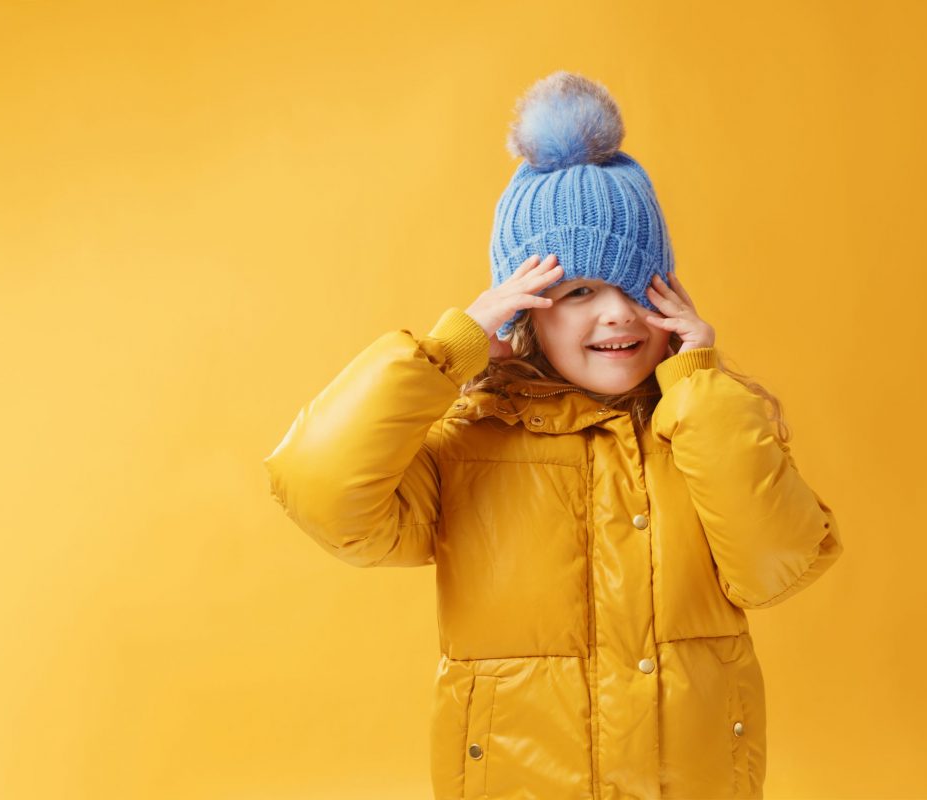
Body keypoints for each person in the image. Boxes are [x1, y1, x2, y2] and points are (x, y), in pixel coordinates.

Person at [263, 71, 843, 799]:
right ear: (526, 310)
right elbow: (321, 490)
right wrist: (451, 352)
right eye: (578, 292)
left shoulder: (701, 423)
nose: (618, 315)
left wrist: (698, 384)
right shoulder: (472, 444)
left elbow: (776, 564)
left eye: (641, 286)